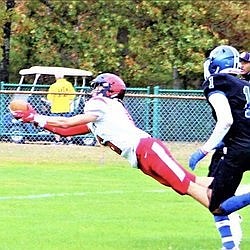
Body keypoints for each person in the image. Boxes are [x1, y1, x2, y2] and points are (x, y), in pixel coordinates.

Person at [11, 73, 250, 249]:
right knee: (192, 183)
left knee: (201, 195)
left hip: (147, 150)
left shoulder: (101, 105)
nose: (94, 90)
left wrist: (35, 115)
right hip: (142, 157)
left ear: (109, 90)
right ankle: (232, 195)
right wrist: (34, 121)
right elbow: (65, 131)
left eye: (98, 86)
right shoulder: (103, 112)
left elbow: (67, 122)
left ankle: (230, 236)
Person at [189, 45, 250, 249]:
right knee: (218, 195)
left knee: (217, 205)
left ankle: (230, 245)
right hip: (240, 144)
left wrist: (204, 149)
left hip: (239, 150)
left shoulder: (218, 82)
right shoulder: (244, 84)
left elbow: (226, 120)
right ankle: (230, 246)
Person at [47, 73, 76, 144]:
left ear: (56, 77)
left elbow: (50, 98)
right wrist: (69, 102)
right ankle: (69, 140)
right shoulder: (68, 85)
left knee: (56, 125)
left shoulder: (53, 86)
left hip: (56, 108)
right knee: (68, 124)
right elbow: (73, 95)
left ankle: (57, 140)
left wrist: (51, 103)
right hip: (66, 107)